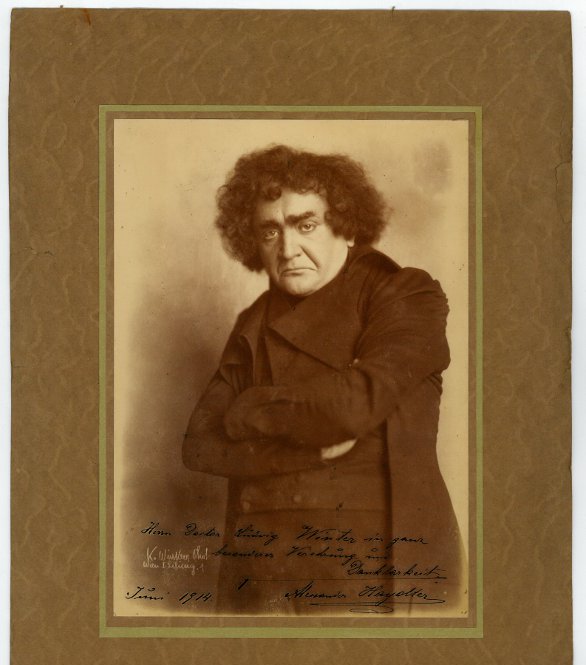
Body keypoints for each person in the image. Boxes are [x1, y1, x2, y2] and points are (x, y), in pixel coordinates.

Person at [182, 144, 465, 616]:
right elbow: (197, 446)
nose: (287, 249)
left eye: (306, 225)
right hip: (261, 578)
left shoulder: (404, 293)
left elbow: (350, 408)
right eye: (270, 230)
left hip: (368, 571)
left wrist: (249, 407)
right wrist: (306, 451)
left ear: (346, 226)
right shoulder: (254, 319)